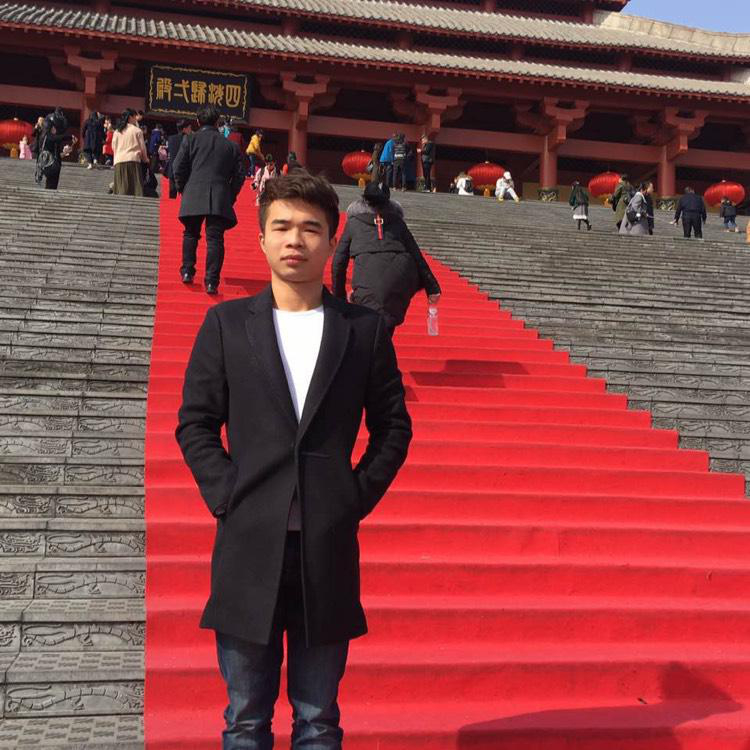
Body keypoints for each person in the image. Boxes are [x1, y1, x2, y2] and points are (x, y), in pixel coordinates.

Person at [176, 170, 412, 750]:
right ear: (261, 239)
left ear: (332, 241)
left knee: (318, 720)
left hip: (325, 548)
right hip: (247, 545)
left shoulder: (364, 332)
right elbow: (195, 423)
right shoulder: (227, 325)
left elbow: (393, 428)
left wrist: (352, 497)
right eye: (281, 226)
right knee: (244, 719)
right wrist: (228, 495)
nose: (295, 240)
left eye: (310, 228)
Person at [332, 181, 441, 335]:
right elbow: (417, 256)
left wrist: (339, 299)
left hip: (365, 290)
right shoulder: (398, 223)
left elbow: (338, 262)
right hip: (397, 288)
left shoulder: (354, 223)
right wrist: (432, 288)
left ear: (364, 200)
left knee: (368, 336)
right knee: (385, 332)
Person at [172, 104, 245, 295]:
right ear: (217, 122)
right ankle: (212, 282)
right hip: (219, 195)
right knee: (215, 239)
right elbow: (239, 176)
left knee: (190, 233)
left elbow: (178, 167)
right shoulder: (231, 146)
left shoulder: (190, 140)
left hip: (193, 192)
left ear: (198, 121)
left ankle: (187, 271)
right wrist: (230, 195)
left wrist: (183, 189)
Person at [34, 109, 78, 190]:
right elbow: (59, 138)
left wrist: (64, 152)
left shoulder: (44, 137)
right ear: (51, 128)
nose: (55, 129)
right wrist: (70, 137)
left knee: (50, 184)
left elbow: (57, 151)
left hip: (48, 163)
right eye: (54, 127)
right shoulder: (48, 137)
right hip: (51, 165)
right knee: (51, 184)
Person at [112, 108, 148, 196]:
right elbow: (142, 148)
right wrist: (145, 159)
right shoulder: (137, 131)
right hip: (133, 161)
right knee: (135, 191)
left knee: (121, 190)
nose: (136, 119)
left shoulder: (117, 131)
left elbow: (114, 147)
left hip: (119, 161)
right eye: (135, 116)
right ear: (130, 117)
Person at [166, 119, 192, 199]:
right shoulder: (190, 140)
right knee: (186, 195)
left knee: (172, 194)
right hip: (185, 170)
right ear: (184, 129)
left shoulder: (171, 138)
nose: (190, 130)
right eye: (189, 128)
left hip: (172, 170)